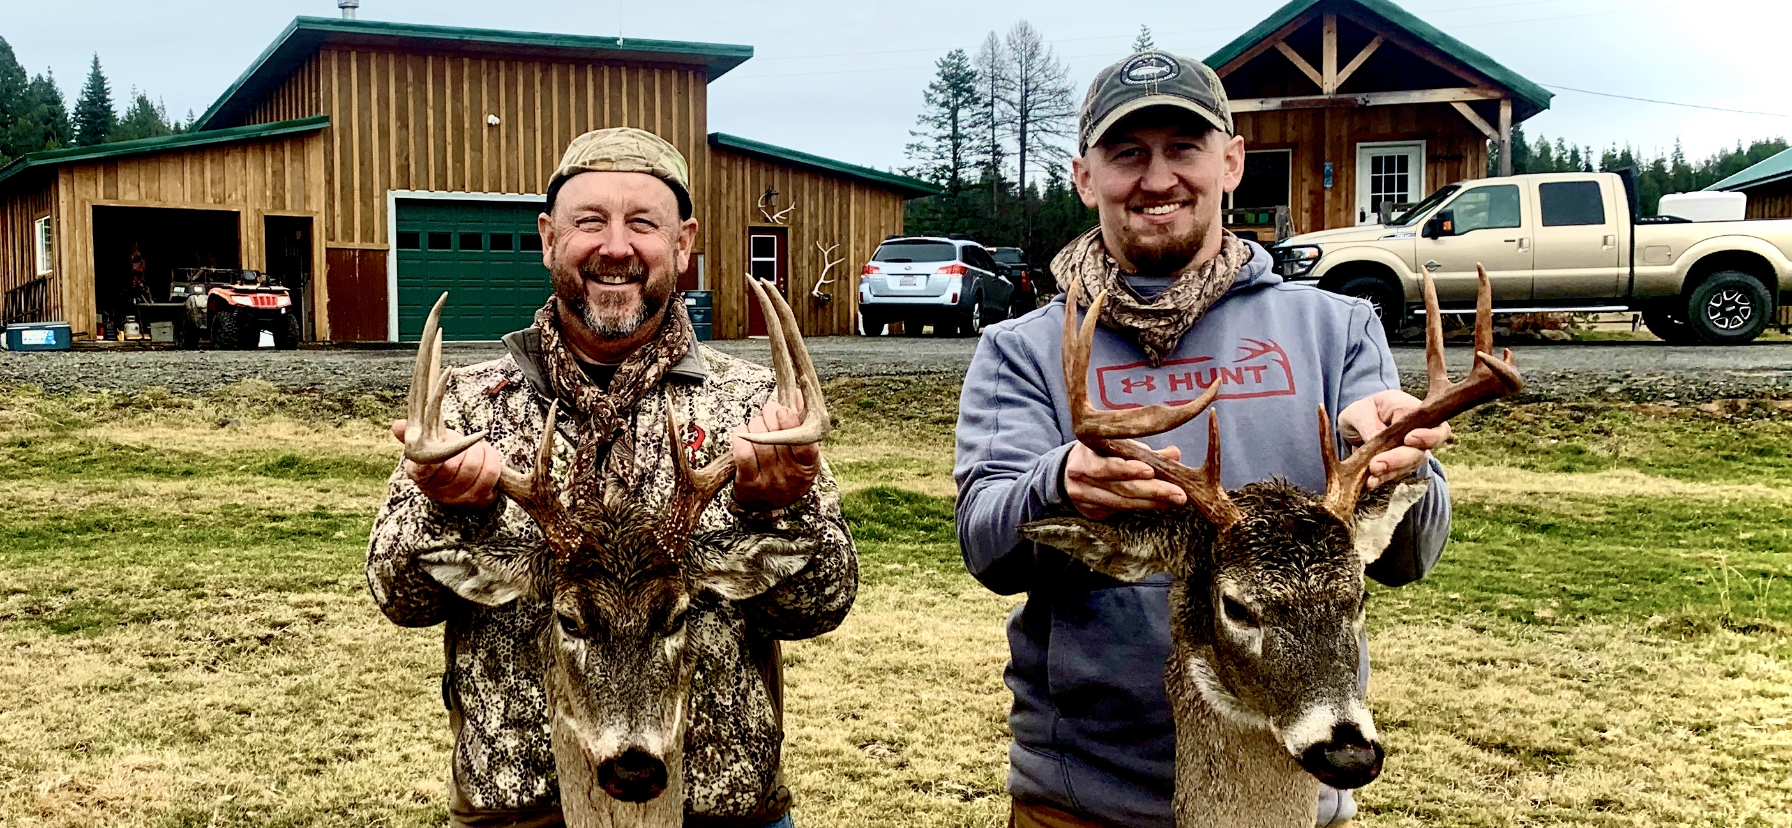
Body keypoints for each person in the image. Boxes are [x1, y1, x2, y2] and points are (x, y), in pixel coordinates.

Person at [953, 51, 1453, 828]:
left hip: (1292, 787)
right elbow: (987, 545)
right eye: (1128, 154)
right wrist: (1059, 484)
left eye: (1183, 149)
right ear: (1085, 177)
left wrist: (1397, 467)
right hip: (1088, 799)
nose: (1158, 180)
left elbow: (1410, 555)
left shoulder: (1333, 328)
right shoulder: (1024, 348)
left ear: (1231, 162)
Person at [367, 127, 856, 828]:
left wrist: (776, 509)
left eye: (643, 223)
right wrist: (446, 510)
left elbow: (823, 604)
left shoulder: (757, 410)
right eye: (589, 221)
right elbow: (398, 597)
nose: (616, 247)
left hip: (718, 810)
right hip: (521, 811)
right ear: (547, 238)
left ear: (683, 244)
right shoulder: (470, 408)